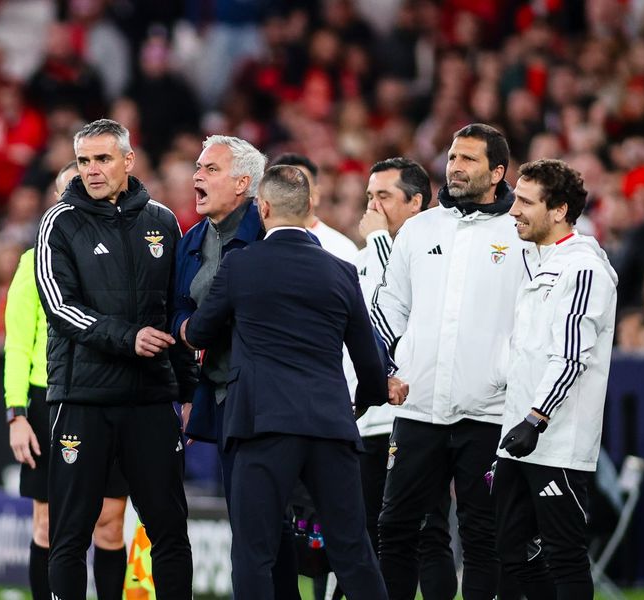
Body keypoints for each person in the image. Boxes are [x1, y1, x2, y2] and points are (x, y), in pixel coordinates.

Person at [181, 165, 391, 600]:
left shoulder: (242, 264)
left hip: (263, 425)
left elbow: (199, 332)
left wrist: (185, 326)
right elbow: (370, 364)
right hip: (331, 426)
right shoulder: (342, 271)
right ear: (309, 206)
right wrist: (361, 404)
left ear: (263, 208)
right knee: (353, 550)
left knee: (254, 552)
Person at [35, 119, 195, 600]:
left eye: (102, 159)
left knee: (170, 530)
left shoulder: (163, 221)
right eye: (84, 160)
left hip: (150, 399)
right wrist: (129, 338)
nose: (91, 169)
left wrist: (188, 391)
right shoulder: (59, 222)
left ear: (128, 160)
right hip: (83, 399)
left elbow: (175, 311)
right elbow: (59, 307)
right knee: (70, 534)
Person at [373, 123, 532, 600]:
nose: (455, 167)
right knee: (397, 527)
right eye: (453, 157)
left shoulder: (521, 233)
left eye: (468, 159)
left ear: (498, 172)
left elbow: (535, 315)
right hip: (418, 406)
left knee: (483, 533)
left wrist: (506, 373)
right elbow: (389, 305)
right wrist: (397, 361)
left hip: (487, 411)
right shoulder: (420, 228)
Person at [170, 135, 301, 598]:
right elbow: (178, 308)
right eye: (198, 167)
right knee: (253, 521)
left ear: (244, 183)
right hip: (225, 395)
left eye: (210, 169)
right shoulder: (191, 241)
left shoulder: (271, 233)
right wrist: (188, 331)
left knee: (268, 522)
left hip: (274, 398)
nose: (197, 176)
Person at [5, 160, 129, 600]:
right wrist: (17, 415)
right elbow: (18, 343)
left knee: (110, 523)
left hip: (111, 395)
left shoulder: (121, 256)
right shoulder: (33, 262)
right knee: (48, 523)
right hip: (49, 401)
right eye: (66, 190)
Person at [495, 158, 618, 600]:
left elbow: (570, 356)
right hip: (517, 435)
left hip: (556, 440)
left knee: (564, 555)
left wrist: (536, 417)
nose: (514, 210)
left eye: (527, 202)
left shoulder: (583, 268)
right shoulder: (533, 258)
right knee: (510, 550)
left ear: (560, 210)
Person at [353, 158, 457, 600]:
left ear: (416, 202)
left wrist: (379, 240)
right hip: (370, 419)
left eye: (384, 196)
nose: (373, 207)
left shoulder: (440, 251)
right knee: (375, 531)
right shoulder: (360, 258)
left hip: (420, 411)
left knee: (429, 530)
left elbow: (404, 308)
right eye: (369, 197)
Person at [269, 153, 358, 259]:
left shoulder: (343, 249)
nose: (292, 193)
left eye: (300, 184)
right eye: (285, 185)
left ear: (316, 195)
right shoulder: (259, 242)